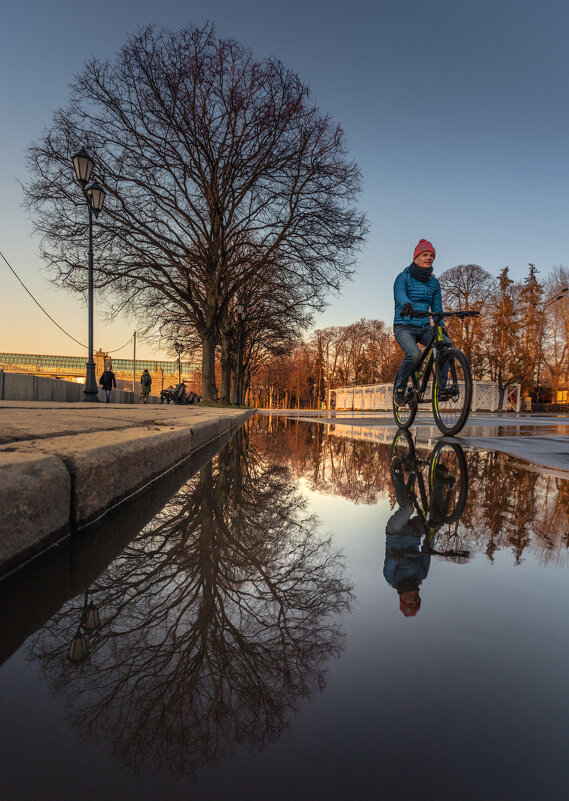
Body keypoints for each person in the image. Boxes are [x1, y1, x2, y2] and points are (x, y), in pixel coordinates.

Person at [393, 239, 443, 406]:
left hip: (424, 327)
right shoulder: (403, 277)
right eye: (425, 254)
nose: (429, 257)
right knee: (414, 353)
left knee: (444, 344)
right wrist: (406, 304)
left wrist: (440, 327)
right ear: (416, 258)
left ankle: (442, 388)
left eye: (431, 255)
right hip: (404, 326)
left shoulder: (434, 283)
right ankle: (399, 388)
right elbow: (400, 294)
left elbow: (437, 308)